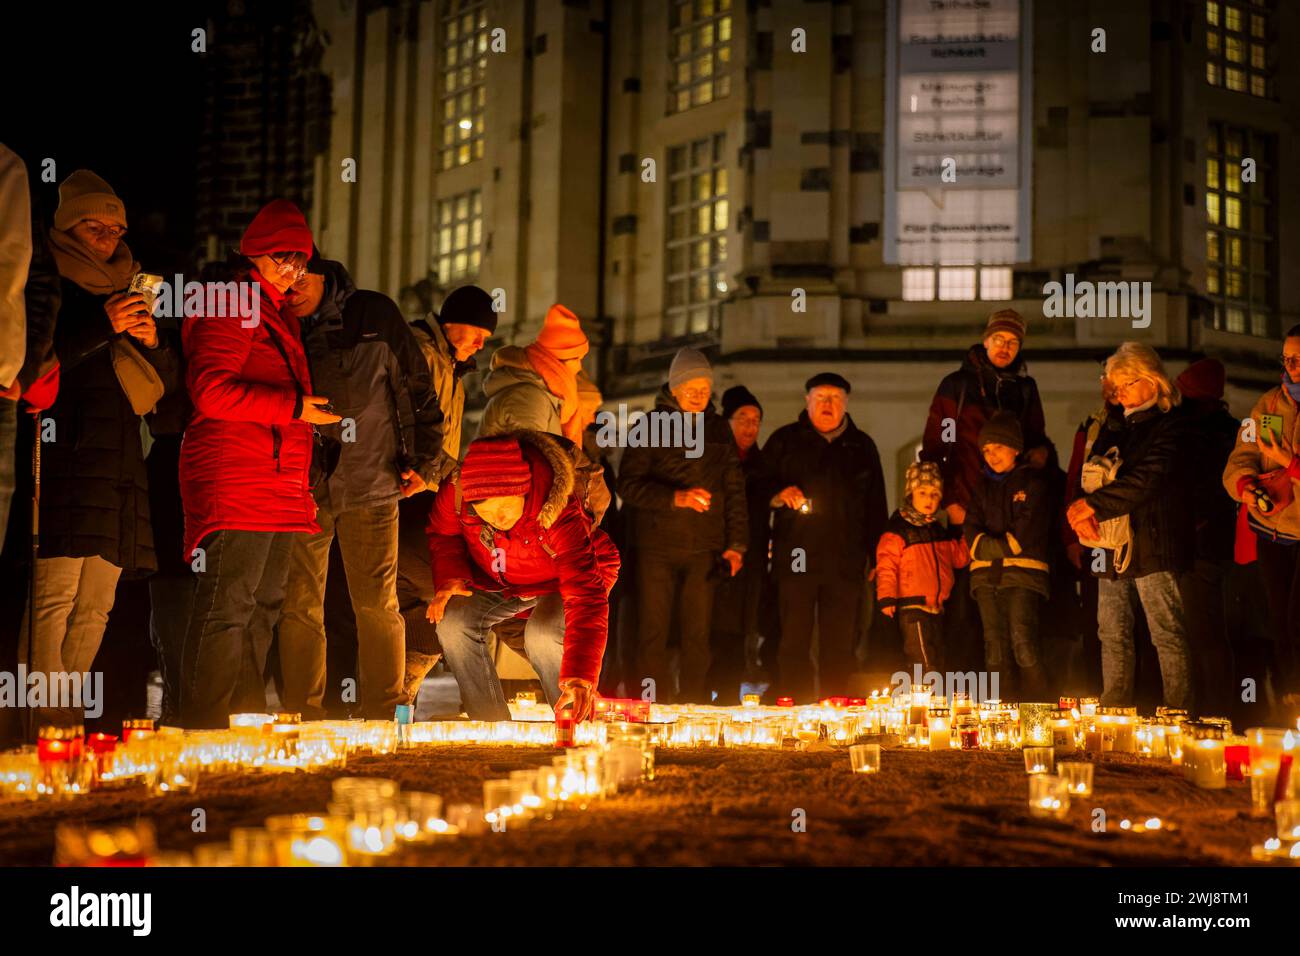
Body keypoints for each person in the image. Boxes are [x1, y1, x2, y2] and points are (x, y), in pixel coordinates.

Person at [21, 170, 181, 729]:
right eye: (95, 225)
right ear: (66, 226)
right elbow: (32, 362)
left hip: (119, 463)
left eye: (116, 227)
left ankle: (66, 726)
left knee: (98, 604)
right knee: (53, 599)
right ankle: (43, 723)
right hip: (62, 453)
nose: (109, 236)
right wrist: (101, 324)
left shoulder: (132, 287)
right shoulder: (43, 282)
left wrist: (152, 341)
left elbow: (167, 389)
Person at [179, 200, 341, 729]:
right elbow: (209, 392)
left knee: (263, 608)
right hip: (237, 474)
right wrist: (293, 407)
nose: (292, 269)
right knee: (229, 605)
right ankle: (202, 727)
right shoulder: (233, 303)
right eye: (281, 256)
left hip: (275, 481)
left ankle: (241, 722)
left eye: (300, 259)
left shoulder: (274, 311)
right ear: (253, 253)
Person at [275, 249, 444, 719]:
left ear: (321, 271)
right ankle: (300, 714)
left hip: (371, 480)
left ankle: (386, 712)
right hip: (302, 485)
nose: (290, 290)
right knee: (300, 604)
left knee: (376, 603)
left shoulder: (373, 313)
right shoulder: (278, 320)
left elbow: (416, 390)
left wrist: (423, 462)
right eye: (281, 281)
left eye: (298, 278)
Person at [426, 432, 619, 720]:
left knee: (543, 633)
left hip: (562, 580)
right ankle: (489, 723)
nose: (497, 518)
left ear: (524, 490)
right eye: (485, 511)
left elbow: (585, 594)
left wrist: (580, 676)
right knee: (454, 622)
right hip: (503, 580)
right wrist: (451, 577)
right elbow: (444, 533)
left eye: (505, 506)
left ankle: (571, 720)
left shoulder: (557, 510)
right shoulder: (455, 493)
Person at [919, 309, 1052, 673]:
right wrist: (948, 502)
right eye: (999, 339)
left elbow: (1037, 442)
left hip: (1012, 511)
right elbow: (937, 442)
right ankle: (967, 694)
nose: (1005, 347)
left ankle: (1012, 698)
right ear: (985, 339)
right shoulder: (956, 386)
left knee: (1011, 616)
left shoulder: (1025, 389)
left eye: (1013, 342)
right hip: (966, 507)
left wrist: (1038, 466)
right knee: (965, 606)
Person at [1067, 343, 1192, 710]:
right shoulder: (1113, 427)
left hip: (1152, 542)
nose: (1118, 393)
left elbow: (1146, 479)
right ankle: (1115, 707)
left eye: (1126, 384)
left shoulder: (1172, 427)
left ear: (1153, 383)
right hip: (1109, 543)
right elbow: (1090, 473)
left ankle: (1177, 711)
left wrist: (1091, 506)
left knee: (1166, 631)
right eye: (1115, 386)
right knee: (1111, 630)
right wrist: (1082, 512)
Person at [617, 349, 747, 704]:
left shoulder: (718, 429)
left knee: (697, 634)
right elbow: (628, 485)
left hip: (704, 546)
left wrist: (737, 544)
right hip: (655, 546)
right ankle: (652, 703)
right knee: (652, 632)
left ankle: (691, 702)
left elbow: (734, 488)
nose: (699, 393)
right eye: (691, 385)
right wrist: (675, 498)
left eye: (705, 387)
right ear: (675, 388)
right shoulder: (648, 426)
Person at [762, 372, 888, 702]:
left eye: (835, 398)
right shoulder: (785, 441)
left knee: (840, 643)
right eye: (821, 398)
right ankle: (795, 709)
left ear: (846, 403)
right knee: (793, 640)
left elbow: (876, 504)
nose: (828, 405)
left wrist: (877, 556)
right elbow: (756, 485)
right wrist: (777, 494)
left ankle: (836, 711)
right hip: (796, 559)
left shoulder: (861, 447)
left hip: (845, 562)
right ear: (808, 401)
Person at [398, 284, 496, 705]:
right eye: (475, 332)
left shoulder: (454, 367)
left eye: (484, 340)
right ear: (450, 322)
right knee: (437, 587)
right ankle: (397, 692)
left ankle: (400, 695)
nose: (478, 344)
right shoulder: (423, 353)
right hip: (410, 489)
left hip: (431, 489)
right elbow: (415, 427)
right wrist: (435, 471)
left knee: (427, 593)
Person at [1222, 324, 1300, 715]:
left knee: (1296, 615)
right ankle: (1289, 697)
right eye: (1286, 358)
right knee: (1278, 618)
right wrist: (1246, 486)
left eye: (1299, 359)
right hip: (1272, 530)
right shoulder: (1268, 406)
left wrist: (1290, 463)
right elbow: (1242, 456)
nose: (1292, 366)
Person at [964, 412, 1052, 699]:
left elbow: (1025, 532)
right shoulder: (981, 487)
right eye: (986, 450)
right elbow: (971, 532)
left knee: (1023, 641)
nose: (992, 456)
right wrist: (996, 546)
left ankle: (1038, 713)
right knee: (994, 647)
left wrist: (992, 546)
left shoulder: (1033, 484)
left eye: (998, 447)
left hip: (1024, 576)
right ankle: (1001, 714)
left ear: (1015, 448)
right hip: (986, 579)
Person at [1174, 358, 1239, 715]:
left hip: (1199, 547)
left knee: (1204, 633)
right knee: (1206, 632)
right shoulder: (1228, 430)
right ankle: (1214, 708)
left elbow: (1202, 488)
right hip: (1212, 544)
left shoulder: (1196, 433)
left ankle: (1213, 713)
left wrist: (1192, 522)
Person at [875, 461, 969, 675]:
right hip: (912, 608)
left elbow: (959, 557)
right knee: (922, 660)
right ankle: (923, 703)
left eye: (935, 494)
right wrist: (887, 597)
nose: (929, 499)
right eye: (923, 492)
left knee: (937, 657)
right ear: (911, 494)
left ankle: (933, 703)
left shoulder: (938, 531)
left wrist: (969, 531)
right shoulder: (899, 530)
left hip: (937, 608)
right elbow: (886, 565)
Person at [708, 385, 770, 703]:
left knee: (739, 631)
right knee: (712, 630)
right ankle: (701, 695)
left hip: (751, 564)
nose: (750, 427)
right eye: (743, 418)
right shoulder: (713, 458)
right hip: (715, 560)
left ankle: (730, 695)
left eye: (756, 420)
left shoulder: (763, 466)